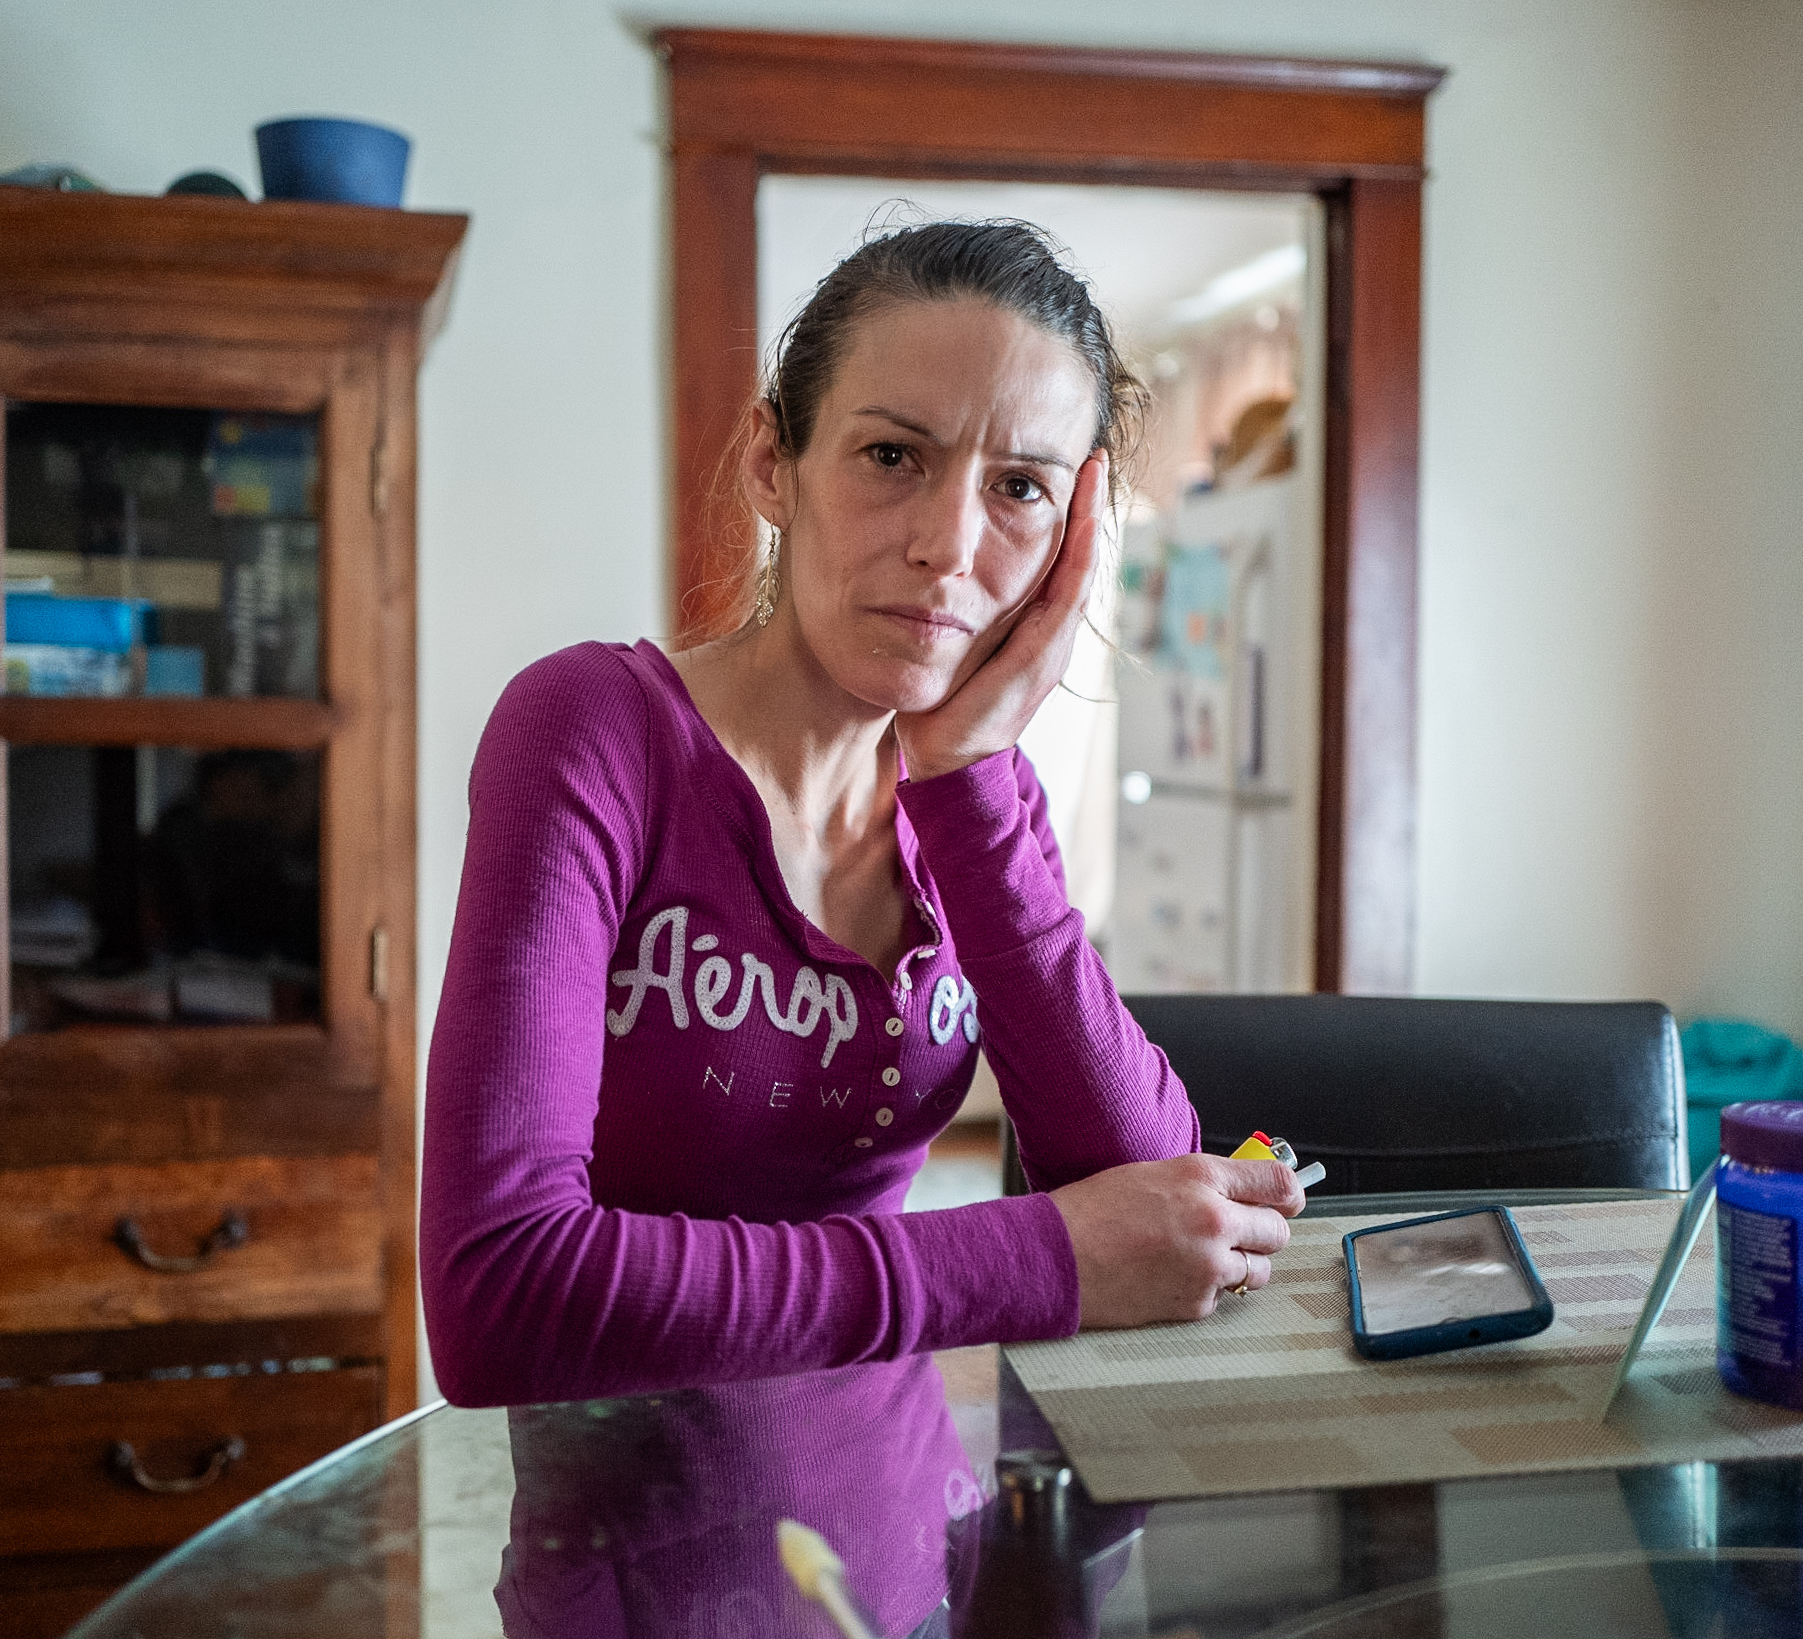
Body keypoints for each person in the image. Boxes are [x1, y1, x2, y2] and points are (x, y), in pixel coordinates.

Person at [423, 220, 1304, 1409]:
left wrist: (969, 779)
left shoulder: (980, 800)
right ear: (770, 463)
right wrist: (1037, 1257)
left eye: (1020, 488)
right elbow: (500, 1297)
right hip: (633, 1510)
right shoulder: (594, 733)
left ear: (1072, 542)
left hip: (907, 1501)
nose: (949, 546)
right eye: (893, 455)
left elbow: (1154, 1204)